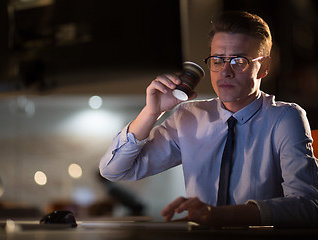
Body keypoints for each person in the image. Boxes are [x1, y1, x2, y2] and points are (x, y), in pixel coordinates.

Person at [99, 11, 318, 227]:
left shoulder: (285, 118)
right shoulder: (189, 116)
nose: (225, 71)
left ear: (265, 67)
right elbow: (115, 170)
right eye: (218, 60)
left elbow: (308, 205)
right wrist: (151, 112)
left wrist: (221, 216)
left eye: (239, 60)